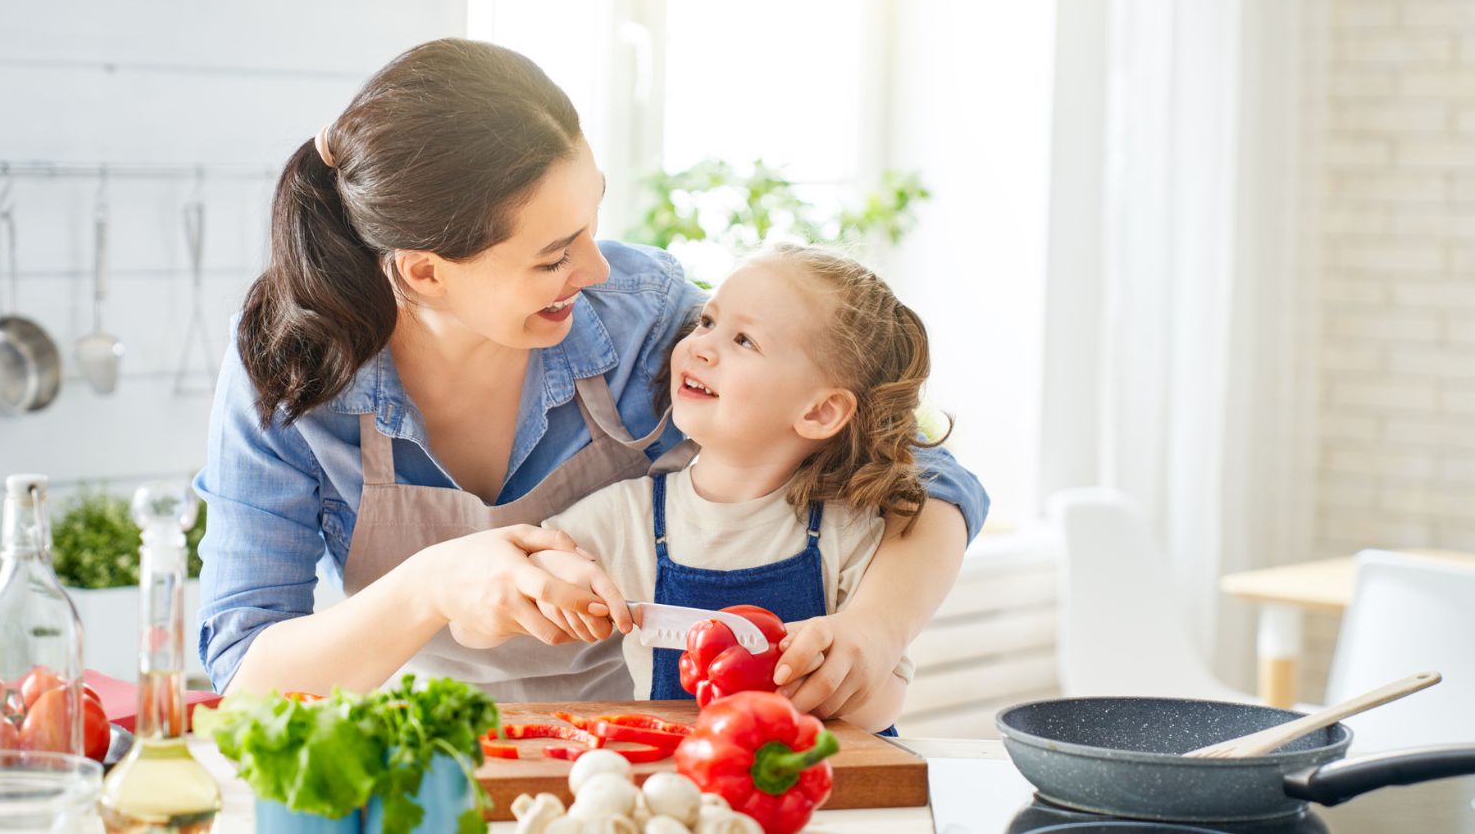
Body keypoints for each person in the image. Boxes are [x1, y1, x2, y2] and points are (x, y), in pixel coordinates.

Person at [195, 38, 989, 710]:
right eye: (552, 255)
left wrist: (876, 633)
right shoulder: (289, 370)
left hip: (631, 762)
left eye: (590, 221)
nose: (596, 266)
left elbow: (923, 474)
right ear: (426, 273)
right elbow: (246, 683)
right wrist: (429, 586)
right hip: (425, 758)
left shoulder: (641, 320)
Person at [528, 244, 932, 733]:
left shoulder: (851, 529)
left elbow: (886, 704)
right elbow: (530, 570)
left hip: (828, 790)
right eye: (707, 322)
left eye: (744, 341)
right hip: (678, 783)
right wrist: (552, 578)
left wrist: (830, 680)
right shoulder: (625, 517)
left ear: (820, 412)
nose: (700, 346)